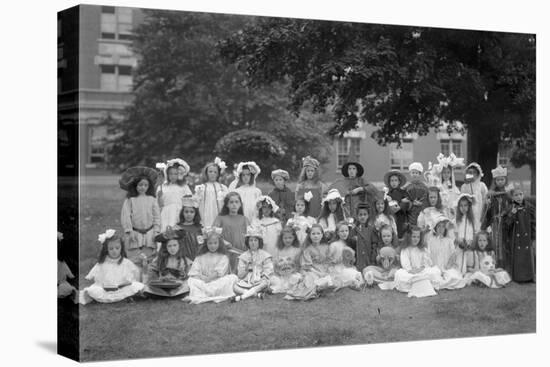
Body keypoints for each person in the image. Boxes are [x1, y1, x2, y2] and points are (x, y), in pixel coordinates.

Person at [80, 229, 144, 304]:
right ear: (106, 249)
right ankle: (124, 297)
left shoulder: (126, 262)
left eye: (117, 248)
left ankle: (126, 296)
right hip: (105, 289)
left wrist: (127, 282)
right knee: (94, 290)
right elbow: (96, 276)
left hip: (122, 288)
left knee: (136, 286)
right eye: (111, 249)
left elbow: (135, 274)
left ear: (121, 248)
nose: (114, 251)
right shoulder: (103, 263)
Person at [119, 167, 161, 277]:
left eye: (145, 185)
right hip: (135, 233)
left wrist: (156, 231)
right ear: (135, 186)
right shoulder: (130, 200)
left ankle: (147, 280)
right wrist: (129, 230)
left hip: (149, 233)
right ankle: (135, 280)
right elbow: (126, 216)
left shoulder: (152, 199)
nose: (143, 187)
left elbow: (157, 216)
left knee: (149, 258)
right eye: (140, 185)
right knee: (135, 259)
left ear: (149, 186)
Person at [184, 227, 238, 304]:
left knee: (232, 277)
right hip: (203, 281)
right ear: (206, 244)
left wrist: (209, 279)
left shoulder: (223, 257)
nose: (213, 246)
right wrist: (203, 278)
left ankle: (206, 292)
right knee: (191, 280)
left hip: (217, 282)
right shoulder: (200, 256)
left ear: (219, 243)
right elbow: (194, 272)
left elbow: (218, 273)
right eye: (210, 243)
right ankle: (208, 291)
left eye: (215, 243)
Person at [393, 226, 442, 297]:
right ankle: (420, 281)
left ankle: (420, 281)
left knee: (435, 272)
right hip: (410, 272)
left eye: (418, 237)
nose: (416, 239)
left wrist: (420, 269)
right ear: (409, 237)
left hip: (421, 271)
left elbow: (426, 262)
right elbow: (405, 264)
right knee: (399, 274)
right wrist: (411, 270)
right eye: (413, 237)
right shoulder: (405, 249)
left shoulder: (422, 249)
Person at [144, 228, 191, 298]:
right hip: (162, 286)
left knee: (188, 285)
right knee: (146, 287)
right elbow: (151, 272)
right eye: (169, 246)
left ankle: (167, 294)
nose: (172, 248)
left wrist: (182, 278)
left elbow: (189, 276)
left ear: (179, 246)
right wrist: (157, 279)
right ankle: (166, 294)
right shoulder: (159, 259)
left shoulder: (185, 260)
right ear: (165, 247)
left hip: (178, 286)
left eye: (175, 245)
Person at [232, 226, 274, 301]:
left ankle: (242, 297)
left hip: (260, 279)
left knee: (264, 283)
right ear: (247, 242)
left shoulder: (265, 255)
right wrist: (246, 269)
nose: (253, 243)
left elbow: (268, 269)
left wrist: (263, 277)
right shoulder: (243, 256)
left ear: (259, 242)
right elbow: (240, 275)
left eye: (255, 240)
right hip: (247, 280)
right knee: (235, 286)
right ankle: (255, 294)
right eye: (251, 240)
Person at [504, 183, 536, 282]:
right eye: (516, 195)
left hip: (527, 237)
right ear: (512, 198)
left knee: (528, 256)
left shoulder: (529, 207)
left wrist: (533, 237)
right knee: (518, 257)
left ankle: (530, 277)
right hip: (516, 238)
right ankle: (518, 277)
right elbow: (507, 225)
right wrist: (511, 214)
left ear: (523, 195)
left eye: (520, 194)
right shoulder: (510, 208)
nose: (519, 197)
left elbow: (533, 223)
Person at [155, 195, 202, 261]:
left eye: (192, 212)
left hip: (197, 259)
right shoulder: (177, 228)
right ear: (182, 213)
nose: (189, 214)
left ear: (195, 214)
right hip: (182, 260)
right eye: (186, 212)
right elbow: (160, 238)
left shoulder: (200, 228)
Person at [481, 165, 511, 268]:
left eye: (502, 179)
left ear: (505, 180)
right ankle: (493, 264)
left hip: (505, 223)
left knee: (504, 243)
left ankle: (504, 266)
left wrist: (506, 213)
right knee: (494, 243)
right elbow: (487, 212)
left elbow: (510, 207)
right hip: (494, 223)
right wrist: (488, 205)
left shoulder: (508, 195)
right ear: (495, 181)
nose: (500, 181)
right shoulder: (491, 195)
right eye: (498, 180)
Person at [425, 216, 465, 290]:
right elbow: (428, 256)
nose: (440, 229)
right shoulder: (430, 240)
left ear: (445, 229)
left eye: (443, 227)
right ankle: (442, 282)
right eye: (439, 226)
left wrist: (447, 268)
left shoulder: (449, 241)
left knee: (456, 278)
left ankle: (441, 282)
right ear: (435, 228)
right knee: (431, 275)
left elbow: (453, 255)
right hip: (435, 268)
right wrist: (434, 268)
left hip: (447, 268)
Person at [213, 192, 249, 271]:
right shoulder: (220, 218)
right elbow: (214, 234)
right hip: (226, 253)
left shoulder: (244, 219)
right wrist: (224, 242)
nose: (234, 204)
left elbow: (249, 236)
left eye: (236, 202)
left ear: (240, 204)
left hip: (241, 253)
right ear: (227, 204)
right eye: (231, 202)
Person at [157, 158, 193, 231]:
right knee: (166, 230)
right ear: (167, 174)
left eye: (176, 174)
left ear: (180, 174)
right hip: (166, 213)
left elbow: (190, 201)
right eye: (171, 174)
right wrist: (159, 197)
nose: (173, 176)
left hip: (180, 213)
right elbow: (159, 205)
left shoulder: (184, 187)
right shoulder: (162, 187)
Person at [327, 221, 363, 290]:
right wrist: (334, 261)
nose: (344, 233)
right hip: (337, 268)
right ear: (337, 233)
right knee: (347, 275)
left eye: (346, 231)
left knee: (356, 274)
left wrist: (352, 260)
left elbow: (350, 258)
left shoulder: (348, 243)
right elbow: (327, 259)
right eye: (342, 231)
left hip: (346, 266)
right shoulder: (334, 245)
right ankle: (348, 283)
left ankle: (353, 283)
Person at [194, 157, 229, 227]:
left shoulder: (223, 188)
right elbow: (196, 203)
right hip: (206, 215)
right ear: (206, 173)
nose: (212, 174)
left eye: (215, 172)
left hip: (219, 215)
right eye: (210, 171)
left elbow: (227, 203)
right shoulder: (201, 188)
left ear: (218, 174)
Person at [269, 226, 303, 294]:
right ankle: (281, 286)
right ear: (281, 239)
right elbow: (274, 264)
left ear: (294, 238)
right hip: (280, 274)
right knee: (274, 279)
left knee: (296, 278)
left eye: (290, 238)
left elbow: (299, 265)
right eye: (285, 238)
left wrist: (293, 271)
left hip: (292, 274)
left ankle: (286, 287)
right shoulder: (278, 250)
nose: (288, 240)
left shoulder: (297, 250)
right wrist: (277, 273)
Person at [460, 162, 488, 231]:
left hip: (479, 211)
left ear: (478, 174)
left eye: (474, 172)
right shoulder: (464, 186)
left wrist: (484, 213)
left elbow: (486, 199)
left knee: (478, 229)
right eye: (470, 172)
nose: (472, 174)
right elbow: (461, 199)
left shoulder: (482, 185)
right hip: (468, 211)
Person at [384, 169, 411, 239]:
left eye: (396, 180)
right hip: (391, 218)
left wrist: (400, 205)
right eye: (392, 180)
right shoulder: (387, 194)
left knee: (401, 234)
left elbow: (407, 203)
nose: (394, 182)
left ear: (399, 182)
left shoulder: (403, 192)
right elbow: (386, 205)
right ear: (389, 182)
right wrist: (400, 202)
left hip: (401, 217)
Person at [350, 203, 375, 271]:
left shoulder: (371, 229)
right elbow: (350, 242)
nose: (362, 217)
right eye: (360, 215)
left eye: (365, 214)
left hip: (368, 258)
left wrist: (373, 258)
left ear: (368, 215)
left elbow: (374, 244)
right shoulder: (354, 229)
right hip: (358, 259)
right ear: (357, 216)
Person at [405, 162, 429, 227]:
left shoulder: (424, 187)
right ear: (410, 174)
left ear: (419, 174)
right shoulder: (407, 187)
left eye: (416, 173)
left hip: (421, 210)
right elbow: (405, 198)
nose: (414, 174)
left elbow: (426, 198)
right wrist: (411, 203)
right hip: (411, 211)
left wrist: (421, 203)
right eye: (413, 173)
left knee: (421, 225)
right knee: (412, 227)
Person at [57, 232, 78, 303]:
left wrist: (71, 276)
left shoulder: (61, 262)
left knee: (65, 288)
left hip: (61, 282)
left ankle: (70, 293)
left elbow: (69, 273)